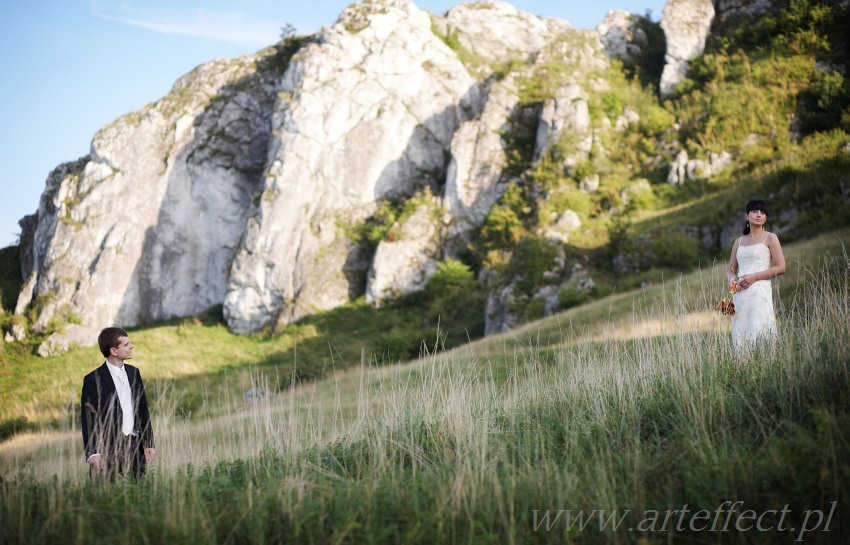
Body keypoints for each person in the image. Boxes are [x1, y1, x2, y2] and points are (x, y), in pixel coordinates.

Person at [80, 327, 156, 479]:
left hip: (136, 447)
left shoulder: (134, 372)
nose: (131, 346)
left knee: (140, 495)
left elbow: (142, 411)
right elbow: (89, 419)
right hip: (106, 449)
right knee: (107, 497)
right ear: (114, 351)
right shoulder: (92, 380)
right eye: (126, 344)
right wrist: (94, 453)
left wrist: (149, 443)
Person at [725, 199, 786, 348]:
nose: (759, 215)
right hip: (739, 294)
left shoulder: (770, 237)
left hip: (759, 291)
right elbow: (730, 270)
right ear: (747, 216)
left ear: (765, 218)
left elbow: (781, 267)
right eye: (755, 211)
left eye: (763, 213)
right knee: (741, 330)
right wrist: (733, 283)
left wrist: (754, 277)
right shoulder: (738, 242)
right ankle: (742, 365)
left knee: (759, 327)